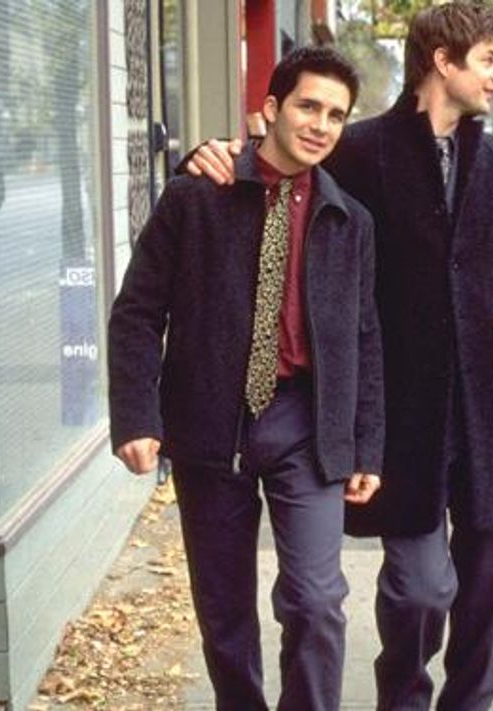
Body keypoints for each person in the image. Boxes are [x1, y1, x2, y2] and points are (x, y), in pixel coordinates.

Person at [183, 4, 493, 709]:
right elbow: (278, 171)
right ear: (443, 62)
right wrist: (209, 156)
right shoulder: (357, 150)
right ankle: (403, 697)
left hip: (492, 409)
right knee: (421, 590)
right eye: (488, 60)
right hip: (401, 412)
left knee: (485, 597)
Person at [107, 46, 384, 711]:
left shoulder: (350, 220)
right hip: (210, 422)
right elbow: (138, 311)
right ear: (271, 109)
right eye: (309, 107)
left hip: (306, 425)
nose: (321, 125)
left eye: (336, 115)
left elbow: (365, 338)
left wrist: (367, 444)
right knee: (224, 610)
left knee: (317, 601)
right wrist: (137, 415)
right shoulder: (196, 196)